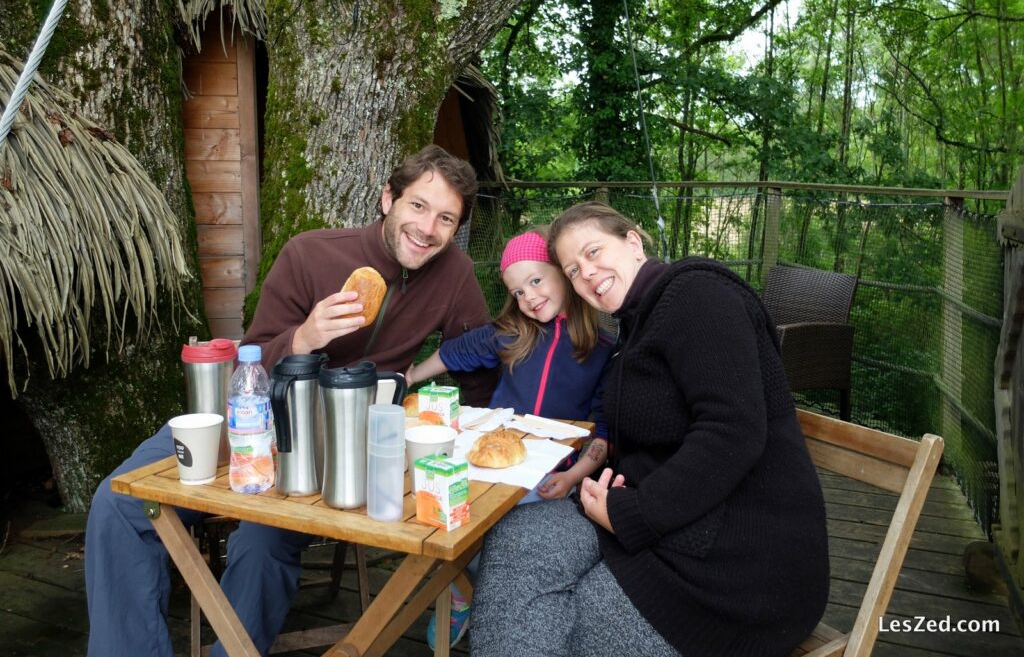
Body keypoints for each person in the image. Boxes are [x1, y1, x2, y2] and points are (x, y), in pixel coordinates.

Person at [84, 145, 499, 657]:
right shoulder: (311, 253)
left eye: (445, 219)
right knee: (118, 503)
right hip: (257, 413)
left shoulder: (453, 273)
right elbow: (246, 365)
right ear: (387, 198)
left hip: (341, 441)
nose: (428, 228)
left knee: (265, 538)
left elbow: (479, 355)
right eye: (418, 206)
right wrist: (304, 337)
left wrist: (458, 413)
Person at [470, 202, 830, 657]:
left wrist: (636, 514)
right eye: (574, 269)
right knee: (518, 541)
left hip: (737, 558)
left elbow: (732, 431)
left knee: (589, 620)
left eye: (595, 251)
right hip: (641, 516)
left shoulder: (697, 292)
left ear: (633, 241)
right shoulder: (633, 328)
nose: (587, 274)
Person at [405, 229, 615, 648]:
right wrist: (408, 377)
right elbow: (455, 352)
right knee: (439, 512)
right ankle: (462, 587)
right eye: (518, 291)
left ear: (562, 272)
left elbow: (604, 432)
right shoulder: (512, 334)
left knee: (508, 538)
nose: (529, 297)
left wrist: (574, 480)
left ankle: (472, 595)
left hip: (551, 477)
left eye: (536, 281)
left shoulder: (604, 350)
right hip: (490, 460)